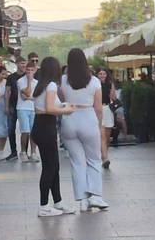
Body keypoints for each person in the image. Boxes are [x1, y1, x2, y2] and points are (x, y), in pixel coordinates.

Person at [60, 50, 110, 211]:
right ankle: (96, 196)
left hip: (69, 120)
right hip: (88, 117)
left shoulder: (63, 80)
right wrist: (99, 124)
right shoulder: (94, 82)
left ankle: (82, 200)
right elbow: (98, 107)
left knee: (77, 162)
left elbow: (61, 99)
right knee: (94, 159)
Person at [31, 57, 77, 216]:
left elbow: (44, 107)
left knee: (53, 166)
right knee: (50, 168)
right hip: (46, 128)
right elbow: (50, 108)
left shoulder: (40, 85)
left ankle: (58, 202)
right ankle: (44, 206)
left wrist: (62, 106)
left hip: (41, 126)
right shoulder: (50, 85)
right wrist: (66, 110)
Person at [3, 56, 26, 161]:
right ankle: (13, 151)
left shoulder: (28, 76)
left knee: (25, 130)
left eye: (25, 63)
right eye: (21, 63)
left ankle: (25, 151)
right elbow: (7, 92)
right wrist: (6, 106)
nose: (23, 65)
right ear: (17, 64)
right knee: (11, 129)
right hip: (13, 105)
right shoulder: (11, 77)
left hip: (25, 106)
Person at [16, 60, 40, 162]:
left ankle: (33, 152)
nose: (29, 72)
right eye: (28, 70)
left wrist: (29, 97)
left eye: (32, 70)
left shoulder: (38, 83)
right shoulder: (21, 81)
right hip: (22, 108)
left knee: (33, 132)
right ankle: (23, 151)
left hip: (33, 108)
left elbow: (36, 96)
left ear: (35, 70)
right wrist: (29, 81)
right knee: (25, 131)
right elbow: (27, 92)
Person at [98, 68, 118, 168]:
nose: (102, 75)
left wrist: (112, 95)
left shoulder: (110, 85)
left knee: (108, 134)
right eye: (100, 74)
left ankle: (104, 154)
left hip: (107, 108)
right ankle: (104, 157)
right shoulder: (95, 85)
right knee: (102, 135)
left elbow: (114, 97)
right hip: (98, 108)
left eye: (104, 74)